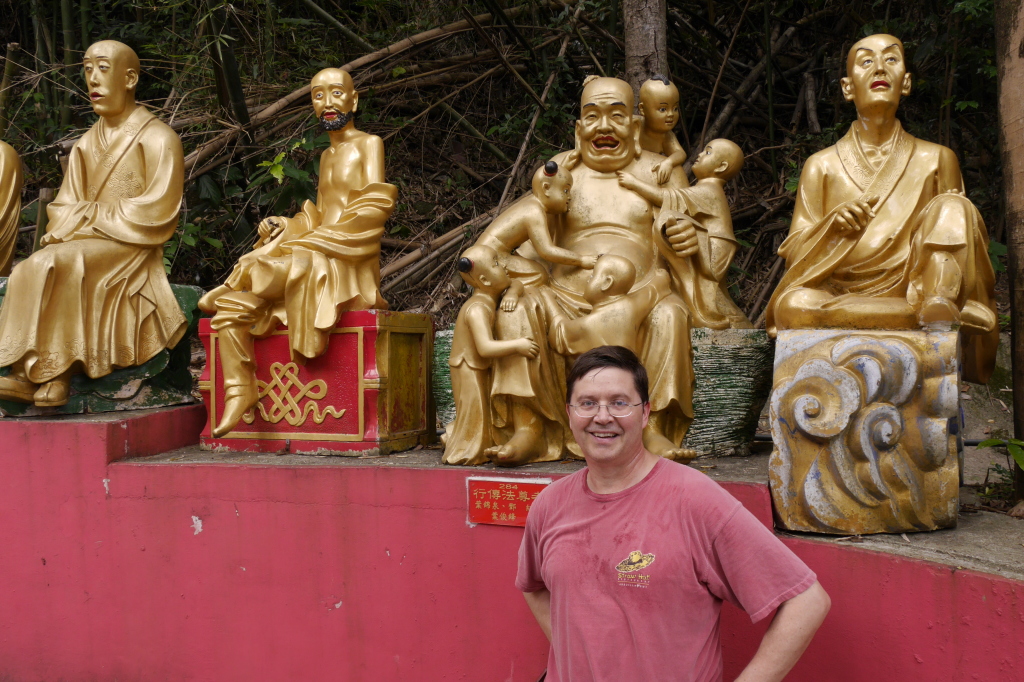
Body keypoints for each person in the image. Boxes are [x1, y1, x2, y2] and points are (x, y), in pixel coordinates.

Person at [517, 346, 831, 682]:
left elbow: (807, 601)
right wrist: (578, 654)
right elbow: (532, 585)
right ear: (570, 413)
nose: (602, 416)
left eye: (620, 402)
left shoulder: (694, 499)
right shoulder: (550, 504)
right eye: (588, 403)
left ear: (645, 412)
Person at [486, 76, 699, 466]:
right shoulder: (561, 175)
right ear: (579, 130)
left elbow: (690, 227)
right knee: (517, 308)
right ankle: (529, 425)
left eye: (616, 116)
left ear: (635, 127)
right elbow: (526, 239)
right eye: (592, 117)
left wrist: (686, 237)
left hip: (641, 294)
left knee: (670, 314)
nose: (603, 128)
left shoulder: (660, 171)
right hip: (564, 296)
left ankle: (651, 426)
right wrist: (519, 281)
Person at [765, 34, 998, 383]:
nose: (879, 68)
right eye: (865, 61)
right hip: (846, 293)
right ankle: (925, 314)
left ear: (905, 82)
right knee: (793, 305)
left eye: (891, 59)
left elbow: (959, 233)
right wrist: (831, 227)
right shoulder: (821, 165)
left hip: (920, 281)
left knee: (953, 204)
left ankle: (937, 301)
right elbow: (795, 253)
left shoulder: (936, 158)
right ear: (847, 87)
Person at [199, 67, 398, 437]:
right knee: (233, 308)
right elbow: (319, 215)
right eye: (318, 95)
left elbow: (373, 210)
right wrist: (286, 226)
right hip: (316, 245)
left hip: (347, 257)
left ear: (354, 100)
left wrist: (309, 241)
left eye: (336, 93)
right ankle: (240, 391)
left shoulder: (369, 144)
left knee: (261, 265)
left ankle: (240, 279)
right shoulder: (325, 157)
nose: (327, 103)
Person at [0, 40, 187, 407]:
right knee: (27, 270)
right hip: (90, 239)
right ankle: (23, 372)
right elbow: (63, 207)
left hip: (130, 247)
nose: (93, 79)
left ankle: (56, 372)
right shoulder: (86, 143)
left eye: (102, 68)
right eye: (87, 69)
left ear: (129, 77)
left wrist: (89, 218)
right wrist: (80, 218)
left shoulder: (159, 138)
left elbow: (159, 210)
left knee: (56, 262)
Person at [618, 138, 751, 329]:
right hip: (712, 243)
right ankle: (733, 320)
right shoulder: (708, 189)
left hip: (713, 245)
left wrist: (634, 183)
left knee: (706, 288)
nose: (699, 154)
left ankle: (726, 320)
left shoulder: (709, 190)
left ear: (721, 167)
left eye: (708, 152)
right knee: (710, 290)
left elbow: (666, 198)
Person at [442, 245, 539, 465]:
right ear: (485, 280)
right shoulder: (477, 309)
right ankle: (465, 450)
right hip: (468, 367)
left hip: (480, 366)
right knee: (475, 415)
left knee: (484, 414)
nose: (504, 265)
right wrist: (518, 345)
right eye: (496, 263)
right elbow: (485, 347)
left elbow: (515, 282)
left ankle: (466, 439)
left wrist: (513, 293)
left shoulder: (491, 295)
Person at [475, 160, 597, 313]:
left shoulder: (533, 205)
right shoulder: (533, 211)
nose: (570, 197)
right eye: (566, 191)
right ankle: (511, 292)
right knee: (539, 274)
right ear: (546, 188)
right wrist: (580, 260)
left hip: (482, 257)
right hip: (489, 260)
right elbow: (546, 251)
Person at [543, 255, 669, 358]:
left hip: (602, 375)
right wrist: (662, 275)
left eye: (592, 276)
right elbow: (654, 289)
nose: (588, 280)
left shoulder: (589, 324)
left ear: (607, 283)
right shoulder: (632, 306)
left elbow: (560, 333)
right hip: (630, 372)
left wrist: (548, 299)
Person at [638, 75, 686, 185]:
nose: (670, 115)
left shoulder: (666, 136)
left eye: (675, 109)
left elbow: (680, 153)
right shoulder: (634, 125)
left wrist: (669, 162)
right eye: (663, 109)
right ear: (642, 109)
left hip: (648, 176)